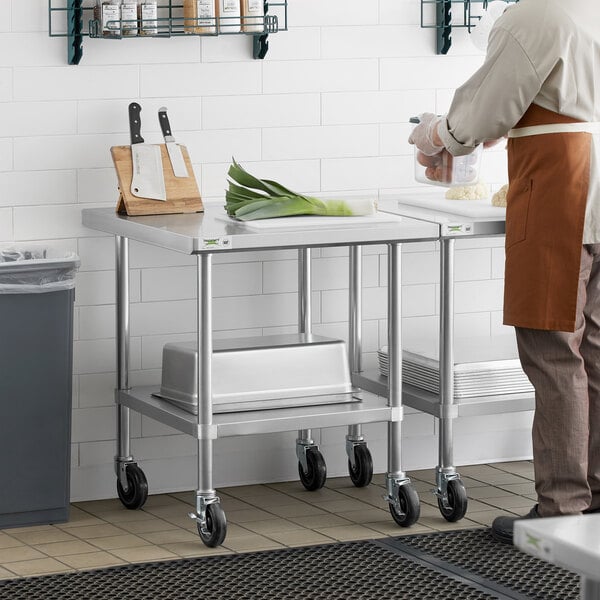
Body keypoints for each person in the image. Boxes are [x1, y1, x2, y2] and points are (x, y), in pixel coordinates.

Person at [408, 0, 600, 545]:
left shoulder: (533, 16)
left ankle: (562, 509)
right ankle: (596, 502)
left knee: (555, 350)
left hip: (565, 184)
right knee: (597, 352)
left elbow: (483, 111)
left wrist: (438, 133)